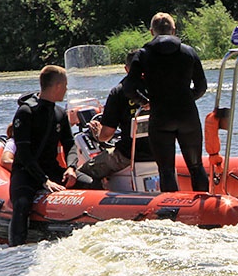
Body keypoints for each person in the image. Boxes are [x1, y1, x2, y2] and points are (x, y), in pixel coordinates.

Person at [126, 12, 208, 192]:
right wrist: (185, 99)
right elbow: (201, 86)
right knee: (196, 166)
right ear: (173, 30)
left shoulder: (143, 54)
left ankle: (171, 213)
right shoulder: (188, 52)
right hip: (188, 116)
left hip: (161, 116)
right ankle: (204, 209)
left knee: (166, 170)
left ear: (151, 31)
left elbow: (129, 87)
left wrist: (146, 102)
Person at [8, 65, 89, 246]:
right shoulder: (26, 112)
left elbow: (70, 144)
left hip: (52, 170)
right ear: (58, 86)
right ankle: (14, 252)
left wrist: (71, 167)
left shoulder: (59, 113)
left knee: (91, 184)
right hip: (26, 173)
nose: (67, 89)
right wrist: (45, 181)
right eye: (66, 85)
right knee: (21, 205)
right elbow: (24, 153)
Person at [79, 51, 154, 188]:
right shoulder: (162, 86)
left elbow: (106, 136)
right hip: (161, 151)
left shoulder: (119, 91)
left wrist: (97, 133)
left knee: (83, 172)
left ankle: (96, 202)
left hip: (128, 155)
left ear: (127, 69)